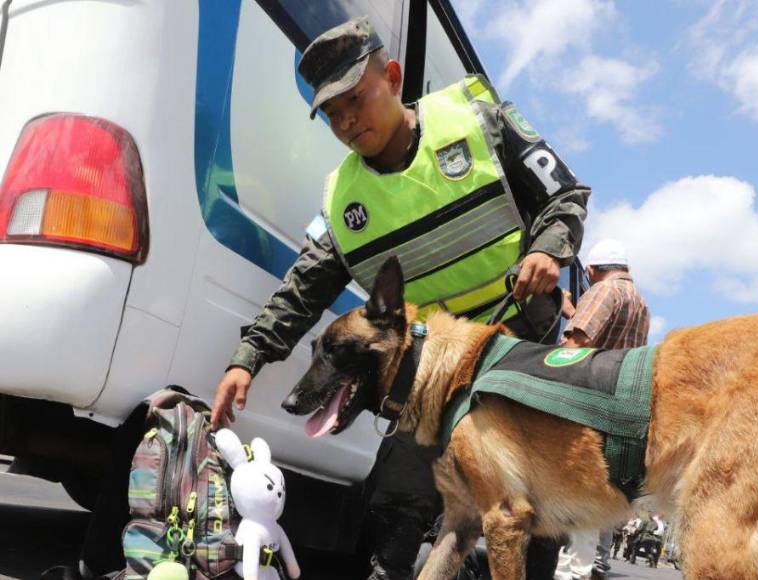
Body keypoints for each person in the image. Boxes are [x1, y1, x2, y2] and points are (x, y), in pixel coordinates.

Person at [210, 17, 590, 580]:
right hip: (428, 371)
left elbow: (563, 193)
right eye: (332, 115)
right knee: (398, 499)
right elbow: (303, 288)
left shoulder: (477, 119)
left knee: (532, 505)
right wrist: (248, 358)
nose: (346, 122)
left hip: (518, 349)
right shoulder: (344, 200)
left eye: (355, 100)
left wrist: (548, 249)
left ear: (392, 76)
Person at [555, 239, 649, 580]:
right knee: (600, 491)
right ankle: (591, 564)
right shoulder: (639, 301)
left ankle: (572, 570)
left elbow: (574, 347)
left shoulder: (603, 291)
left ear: (592, 270)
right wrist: (573, 311)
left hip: (587, 403)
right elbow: (611, 341)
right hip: (615, 404)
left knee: (575, 490)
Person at [562, 239, 650, 349]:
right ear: (626, 268)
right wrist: (572, 312)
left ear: (590, 270)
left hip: (596, 366)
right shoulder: (641, 303)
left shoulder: (605, 288)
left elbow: (580, 342)